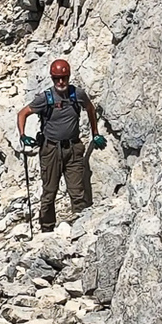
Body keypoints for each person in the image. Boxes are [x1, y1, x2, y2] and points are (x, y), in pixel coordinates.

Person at [15, 58, 102, 232]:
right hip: (50, 149)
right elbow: (22, 114)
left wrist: (95, 133)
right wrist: (23, 135)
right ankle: (47, 229)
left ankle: (81, 229)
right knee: (49, 193)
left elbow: (90, 109)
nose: (61, 82)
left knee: (77, 191)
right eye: (57, 78)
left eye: (64, 78)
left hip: (73, 148)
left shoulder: (77, 94)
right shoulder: (45, 98)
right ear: (52, 78)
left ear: (69, 77)